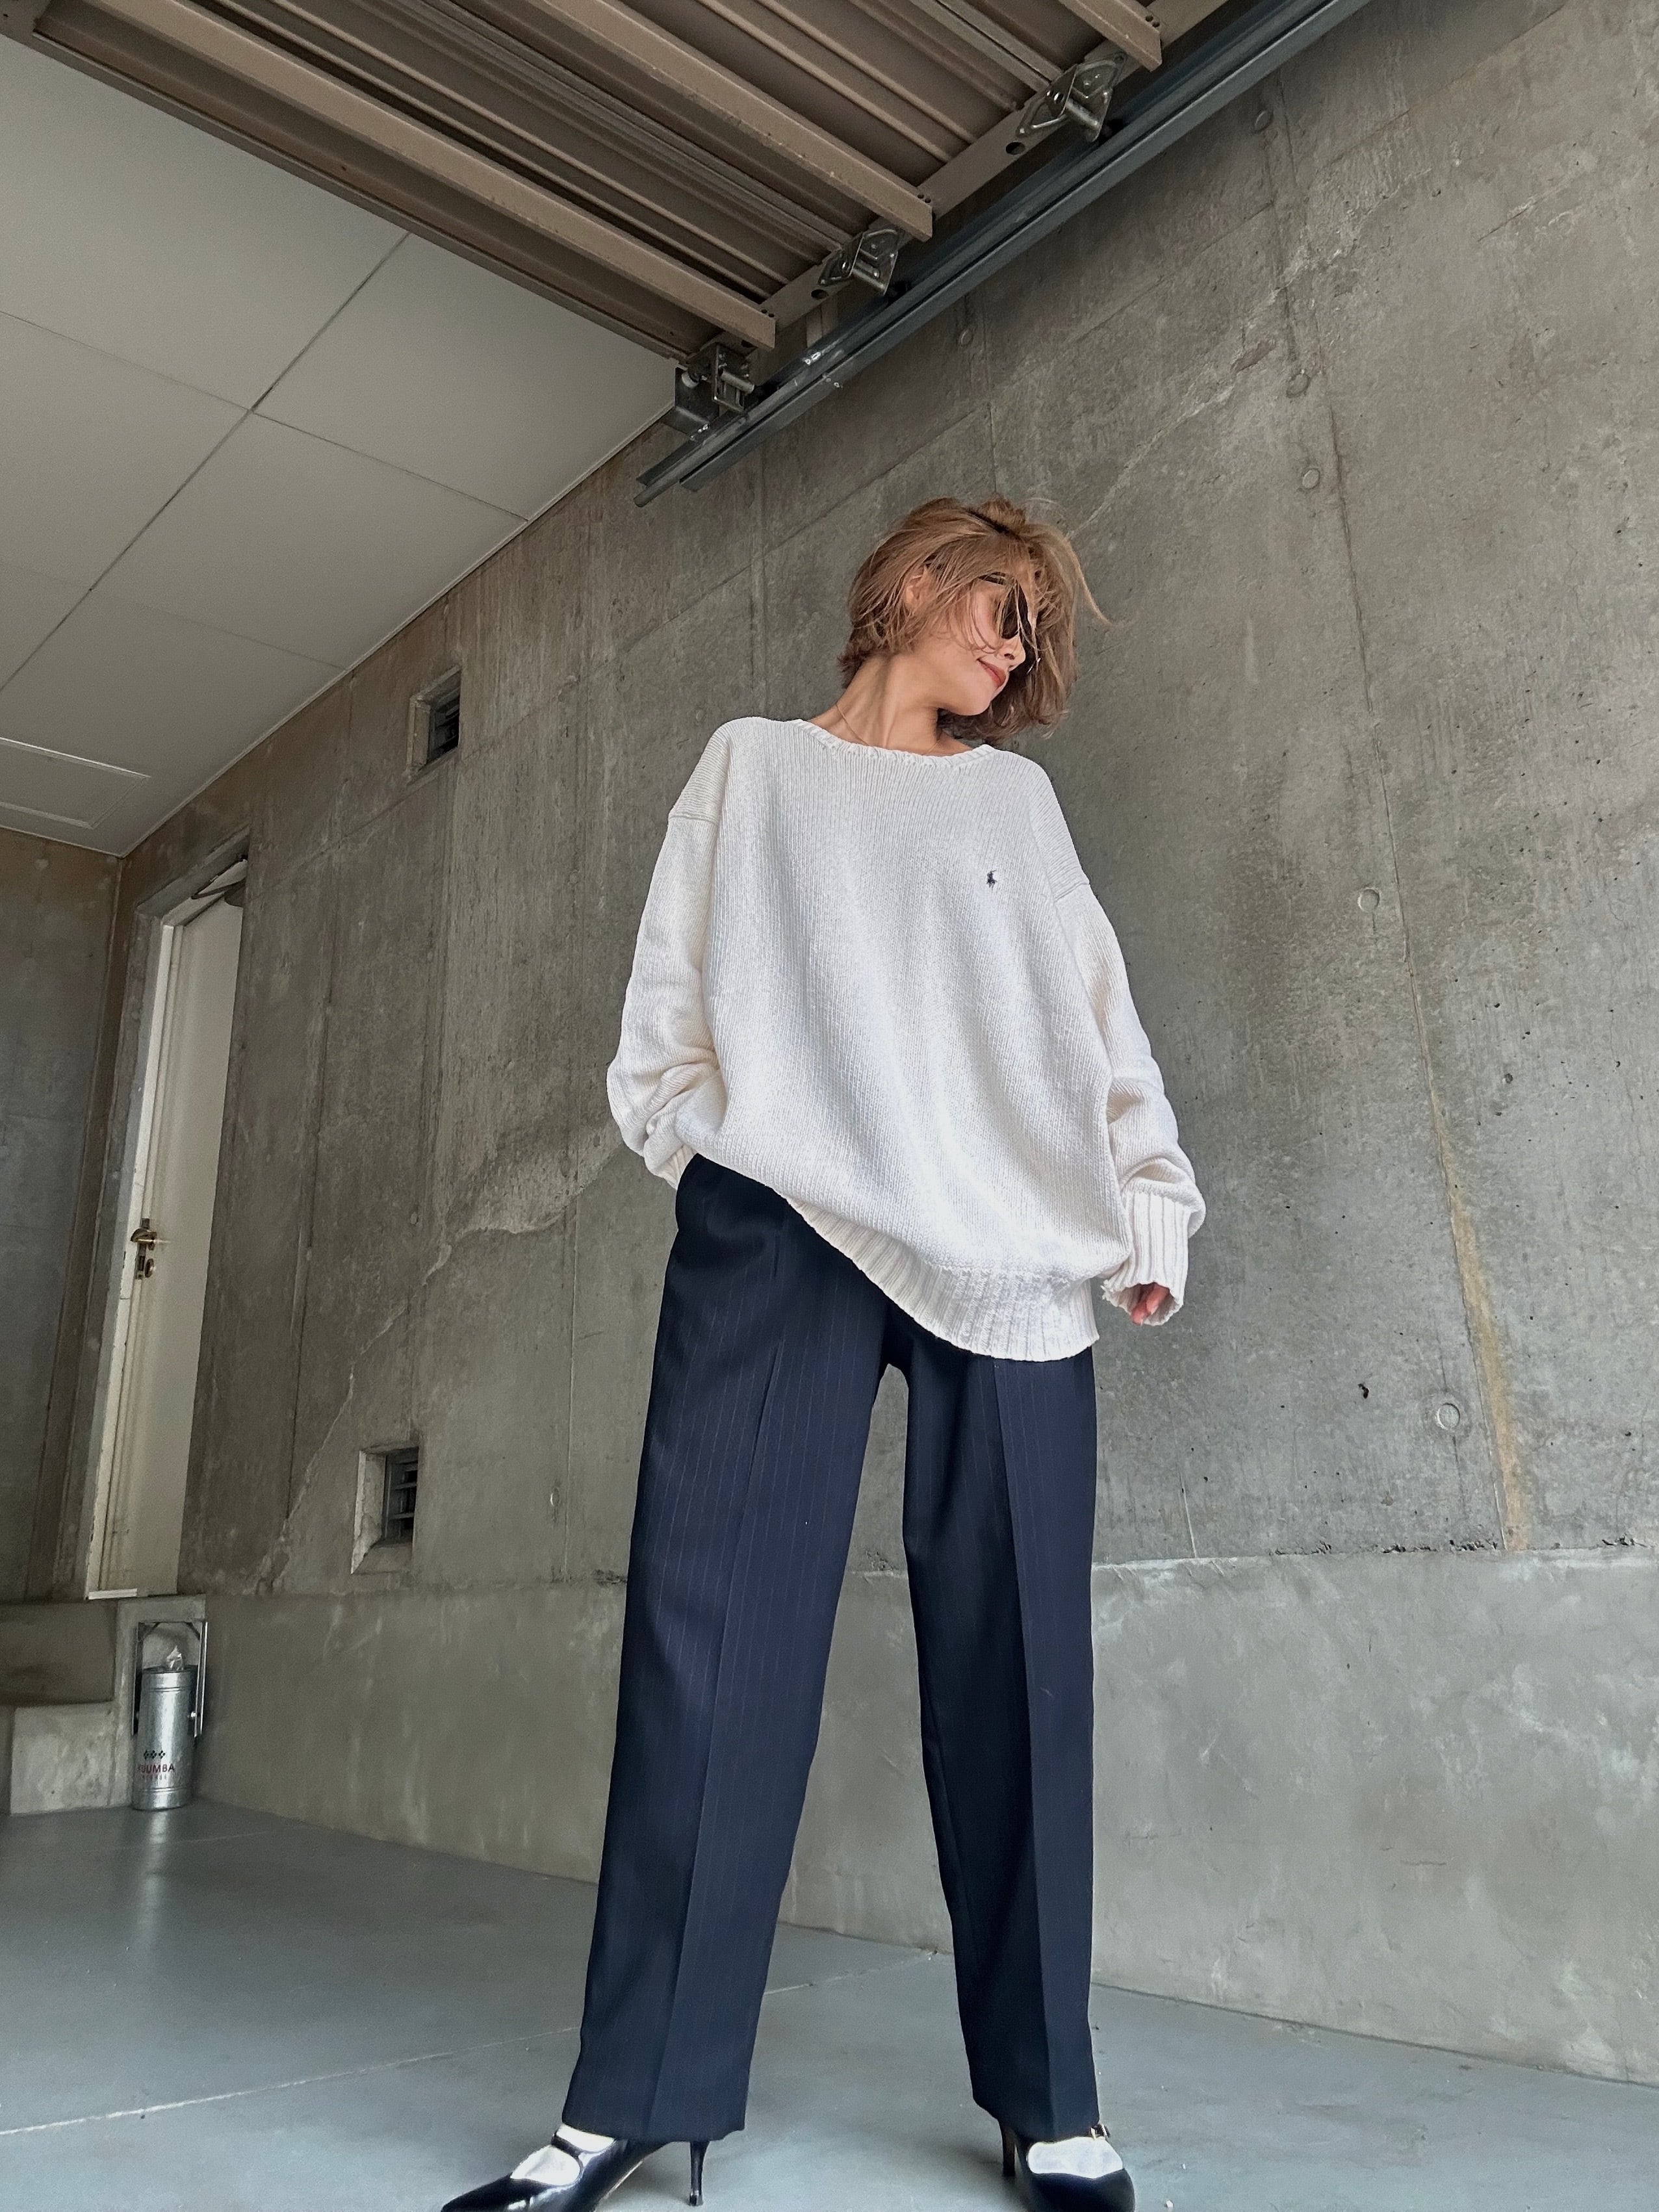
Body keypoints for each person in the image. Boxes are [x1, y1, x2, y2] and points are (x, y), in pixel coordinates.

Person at [443, 496, 1205, 2212]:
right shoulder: (750, 770)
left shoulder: (1010, 801)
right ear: (919, 580)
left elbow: (1096, 1019)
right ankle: (632, 2098)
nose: (1011, 650)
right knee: (705, 1645)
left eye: (1030, 636)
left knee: (1019, 1664)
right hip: (780, 1222)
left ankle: (1048, 2100)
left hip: (1004, 1247)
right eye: (1002, 607)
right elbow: (665, 1023)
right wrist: (723, 1155)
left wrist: (1148, 1207)